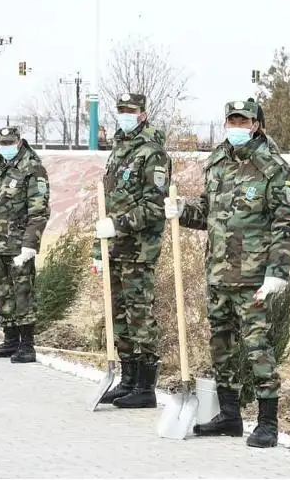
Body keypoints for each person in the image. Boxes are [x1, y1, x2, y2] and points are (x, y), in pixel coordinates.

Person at [164, 98, 290, 448]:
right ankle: (229, 416)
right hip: (219, 274)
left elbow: (285, 224)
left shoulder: (272, 167)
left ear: (255, 124)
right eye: (232, 120)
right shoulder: (217, 162)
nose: (237, 126)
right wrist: (181, 210)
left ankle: (268, 422)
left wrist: (277, 272)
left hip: (254, 277)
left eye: (244, 121)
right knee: (220, 345)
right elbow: (208, 214)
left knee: (258, 348)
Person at [92, 93, 172, 408]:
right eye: (121, 110)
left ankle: (145, 387)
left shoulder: (153, 154)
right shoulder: (120, 150)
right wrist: (100, 248)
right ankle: (127, 379)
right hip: (115, 246)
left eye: (131, 110)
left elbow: (154, 206)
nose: (125, 114)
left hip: (139, 248)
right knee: (119, 314)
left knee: (140, 315)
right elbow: (109, 202)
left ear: (143, 113)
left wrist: (119, 225)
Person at [0, 126, 50, 363]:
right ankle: (10, 340)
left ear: (19, 141)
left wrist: (30, 244)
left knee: (23, 293)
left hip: (18, 245)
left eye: (9, 142)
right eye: (1, 142)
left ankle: (27, 345)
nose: (4, 146)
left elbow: (39, 211)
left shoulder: (32, 167)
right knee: (3, 293)